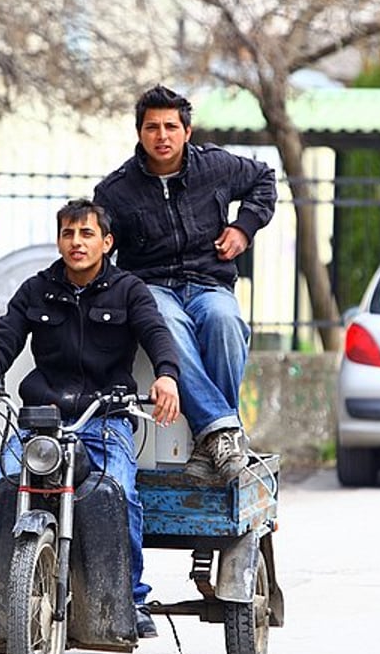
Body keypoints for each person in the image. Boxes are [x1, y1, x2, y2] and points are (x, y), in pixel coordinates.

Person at [0, 198, 181, 638]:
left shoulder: (129, 290)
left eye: (87, 233)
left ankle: (131, 598)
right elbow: (4, 339)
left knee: (118, 492)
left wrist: (167, 377)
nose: (77, 242)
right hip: (41, 420)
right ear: (59, 240)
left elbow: (157, 335)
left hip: (104, 418)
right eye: (69, 234)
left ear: (106, 242)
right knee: (4, 485)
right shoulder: (37, 289)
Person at [94, 84, 277, 483]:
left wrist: (243, 228)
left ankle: (207, 441)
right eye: (153, 127)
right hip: (152, 287)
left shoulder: (215, 166)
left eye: (171, 127)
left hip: (210, 282)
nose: (162, 136)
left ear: (187, 132)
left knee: (224, 322)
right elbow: (100, 249)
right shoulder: (115, 191)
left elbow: (264, 179)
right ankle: (226, 432)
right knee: (167, 324)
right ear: (139, 133)